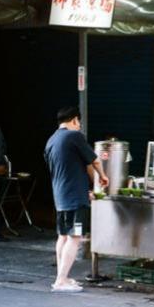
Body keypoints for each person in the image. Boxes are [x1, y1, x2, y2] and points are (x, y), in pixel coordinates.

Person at [44, 106, 109, 293]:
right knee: (75, 237)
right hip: (74, 198)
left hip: (60, 196)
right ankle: (61, 280)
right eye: (79, 122)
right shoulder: (74, 136)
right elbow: (94, 160)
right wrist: (103, 177)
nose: (79, 126)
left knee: (63, 236)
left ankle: (61, 276)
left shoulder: (51, 140)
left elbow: (72, 166)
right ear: (73, 120)